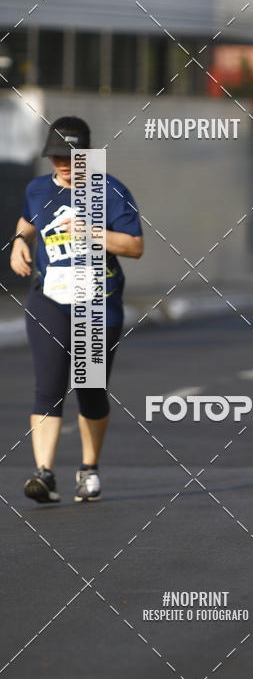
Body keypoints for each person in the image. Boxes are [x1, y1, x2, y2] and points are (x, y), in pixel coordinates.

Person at [10, 117, 143, 504]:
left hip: (97, 305)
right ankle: (44, 474)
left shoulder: (111, 191)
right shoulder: (38, 188)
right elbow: (27, 218)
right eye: (56, 157)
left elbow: (135, 246)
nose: (63, 165)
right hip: (48, 299)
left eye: (71, 157)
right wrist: (20, 240)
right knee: (48, 387)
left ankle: (88, 469)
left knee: (90, 390)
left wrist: (93, 232)